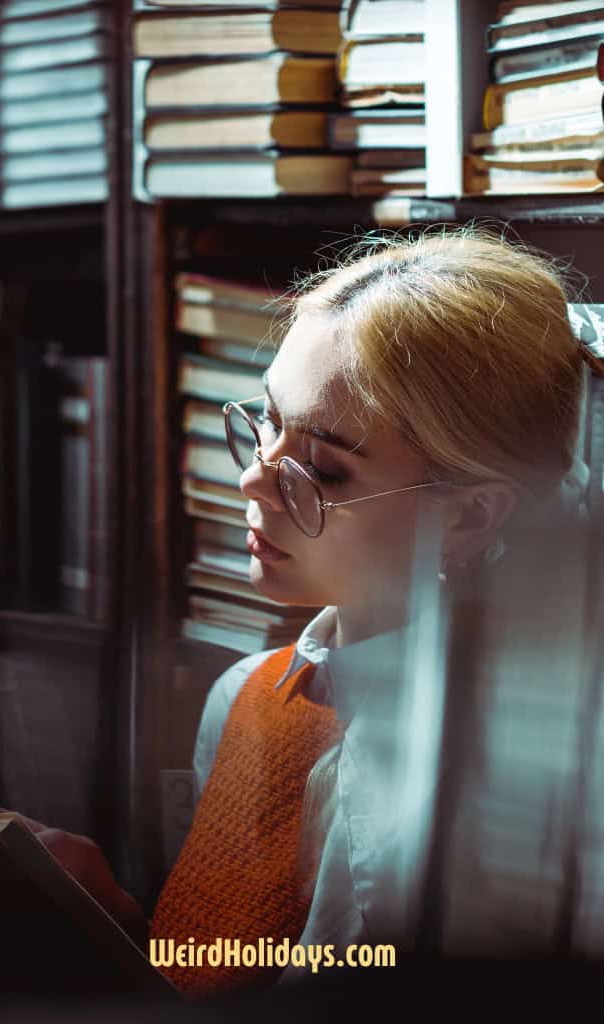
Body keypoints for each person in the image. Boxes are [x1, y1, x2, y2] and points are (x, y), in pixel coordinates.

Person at [147, 226, 604, 1000]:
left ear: (468, 518)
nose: (252, 485)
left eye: (321, 468)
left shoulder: (493, 785)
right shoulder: (246, 696)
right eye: (265, 422)